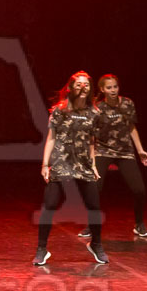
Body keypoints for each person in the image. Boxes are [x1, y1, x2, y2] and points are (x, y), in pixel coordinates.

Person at [34, 71, 107, 266]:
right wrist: (45, 164)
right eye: (79, 84)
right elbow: (51, 138)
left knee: (94, 207)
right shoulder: (60, 110)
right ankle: (41, 249)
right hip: (62, 164)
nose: (83, 87)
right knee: (49, 206)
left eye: (86, 84)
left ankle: (96, 244)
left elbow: (91, 141)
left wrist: (93, 165)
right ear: (71, 88)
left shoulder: (94, 113)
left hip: (83, 165)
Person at [78, 74, 147, 238]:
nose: (113, 90)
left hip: (125, 152)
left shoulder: (127, 103)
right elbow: (91, 135)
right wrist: (91, 157)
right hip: (103, 151)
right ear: (102, 89)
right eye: (109, 87)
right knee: (95, 188)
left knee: (139, 190)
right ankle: (91, 224)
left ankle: (139, 224)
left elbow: (131, 127)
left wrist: (140, 150)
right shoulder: (97, 108)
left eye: (115, 87)